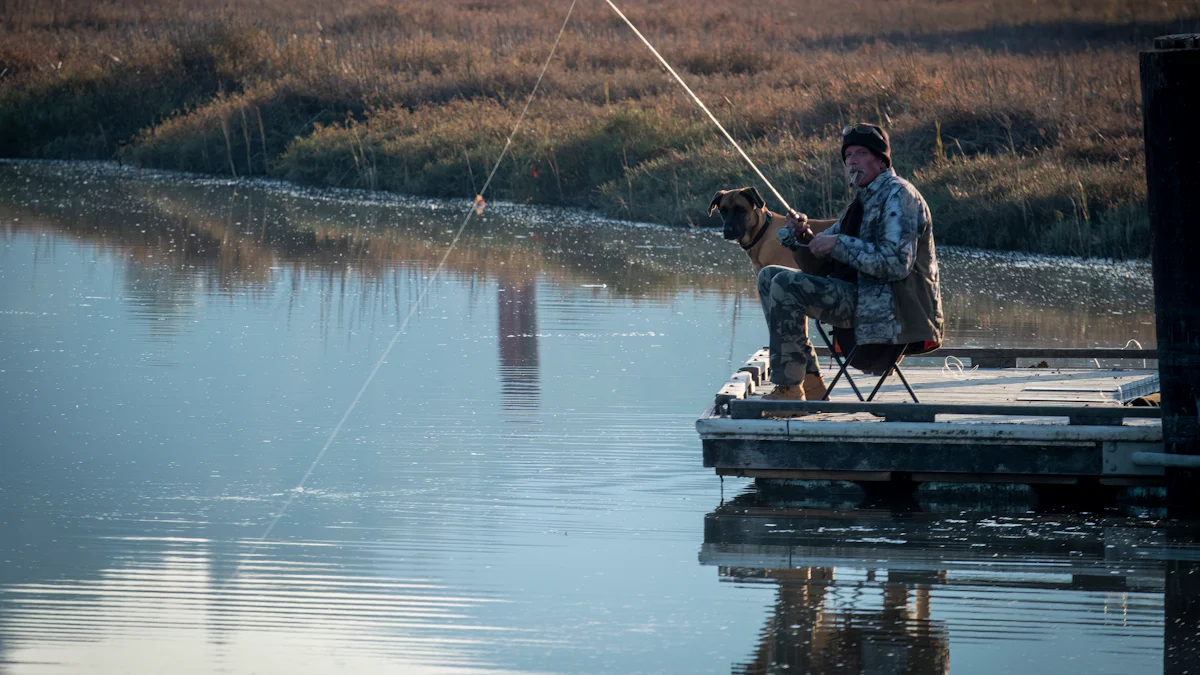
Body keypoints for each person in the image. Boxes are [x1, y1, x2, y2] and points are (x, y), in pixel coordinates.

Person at [758, 123, 943, 402]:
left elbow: (895, 264)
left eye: (861, 153)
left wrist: (838, 244)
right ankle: (809, 382)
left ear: (882, 161)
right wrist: (802, 236)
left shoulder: (900, 196)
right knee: (770, 276)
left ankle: (788, 390)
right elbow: (821, 260)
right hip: (861, 299)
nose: (852, 161)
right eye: (848, 156)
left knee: (785, 283)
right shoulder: (863, 201)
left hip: (892, 310)